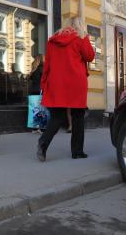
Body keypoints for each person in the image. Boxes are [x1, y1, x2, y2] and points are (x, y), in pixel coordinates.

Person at [36, 16, 95, 162]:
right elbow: (90, 56)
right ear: (81, 26)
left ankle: (43, 142)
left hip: (56, 82)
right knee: (78, 116)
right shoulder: (81, 38)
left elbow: (47, 65)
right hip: (76, 82)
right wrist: (86, 37)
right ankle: (77, 152)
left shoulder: (53, 41)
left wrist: (44, 83)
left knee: (57, 116)